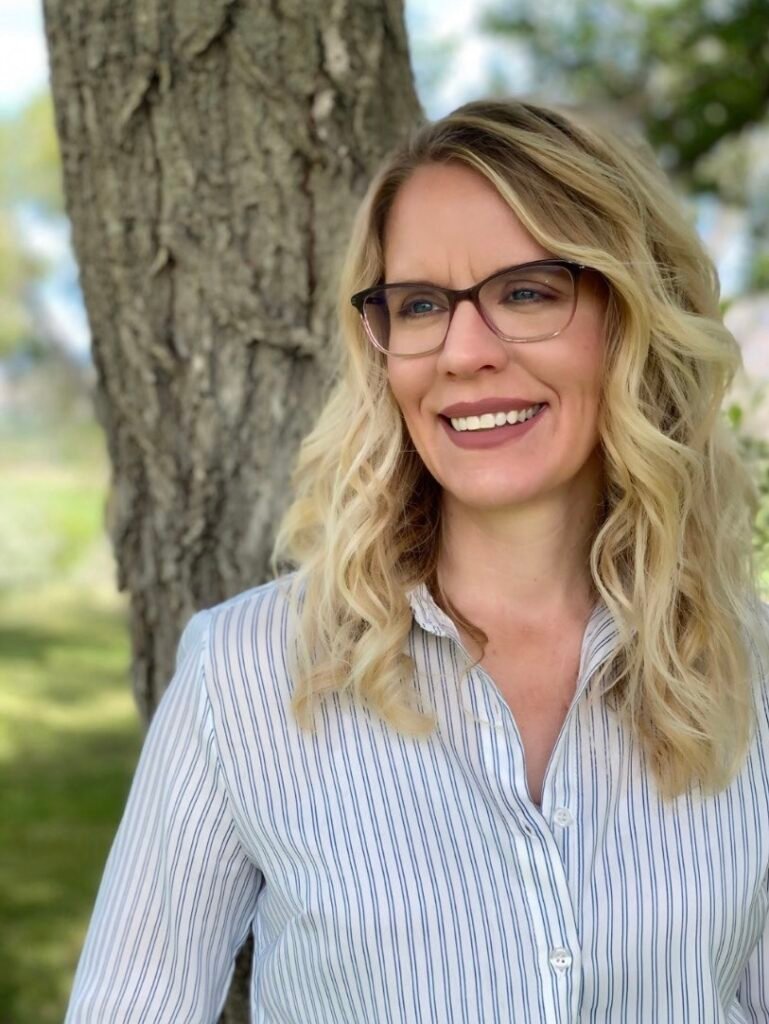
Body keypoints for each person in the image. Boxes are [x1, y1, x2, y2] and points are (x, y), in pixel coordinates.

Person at [65, 98, 769, 1022]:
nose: (463, 353)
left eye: (526, 292)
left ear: (630, 317)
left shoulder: (747, 666)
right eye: (421, 306)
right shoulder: (244, 675)